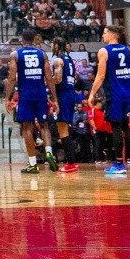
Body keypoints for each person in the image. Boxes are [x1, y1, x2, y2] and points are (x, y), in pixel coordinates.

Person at [86, 24, 130, 176]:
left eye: (104, 33)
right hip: (128, 92)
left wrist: (92, 94)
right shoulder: (128, 50)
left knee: (116, 127)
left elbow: (101, 75)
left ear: (111, 34)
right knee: (124, 125)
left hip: (114, 94)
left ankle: (119, 164)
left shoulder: (104, 51)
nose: (102, 36)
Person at [6, 28, 58, 174]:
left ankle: (33, 163)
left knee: (27, 128)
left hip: (26, 94)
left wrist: (7, 98)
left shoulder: (15, 54)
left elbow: (11, 78)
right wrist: (54, 98)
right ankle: (48, 151)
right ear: (35, 39)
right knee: (45, 125)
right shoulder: (42, 54)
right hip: (40, 93)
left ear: (22, 39)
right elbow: (49, 77)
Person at [50, 38, 81, 173]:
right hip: (70, 93)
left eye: (52, 45)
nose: (52, 47)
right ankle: (72, 161)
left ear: (57, 46)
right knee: (64, 128)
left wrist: (46, 80)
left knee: (62, 128)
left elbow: (58, 79)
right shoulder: (70, 60)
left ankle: (71, 163)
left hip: (63, 94)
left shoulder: (58, 60)